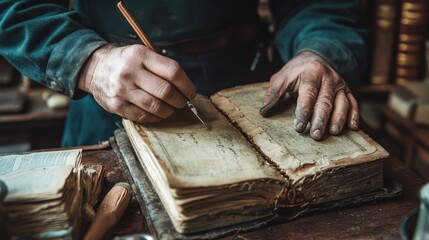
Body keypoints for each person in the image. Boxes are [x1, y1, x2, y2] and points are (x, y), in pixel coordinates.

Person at [0, 0, 366, 146]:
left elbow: (317, 5)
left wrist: (317, 50)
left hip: (252, 83)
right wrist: (90, 62)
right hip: (112, 92)